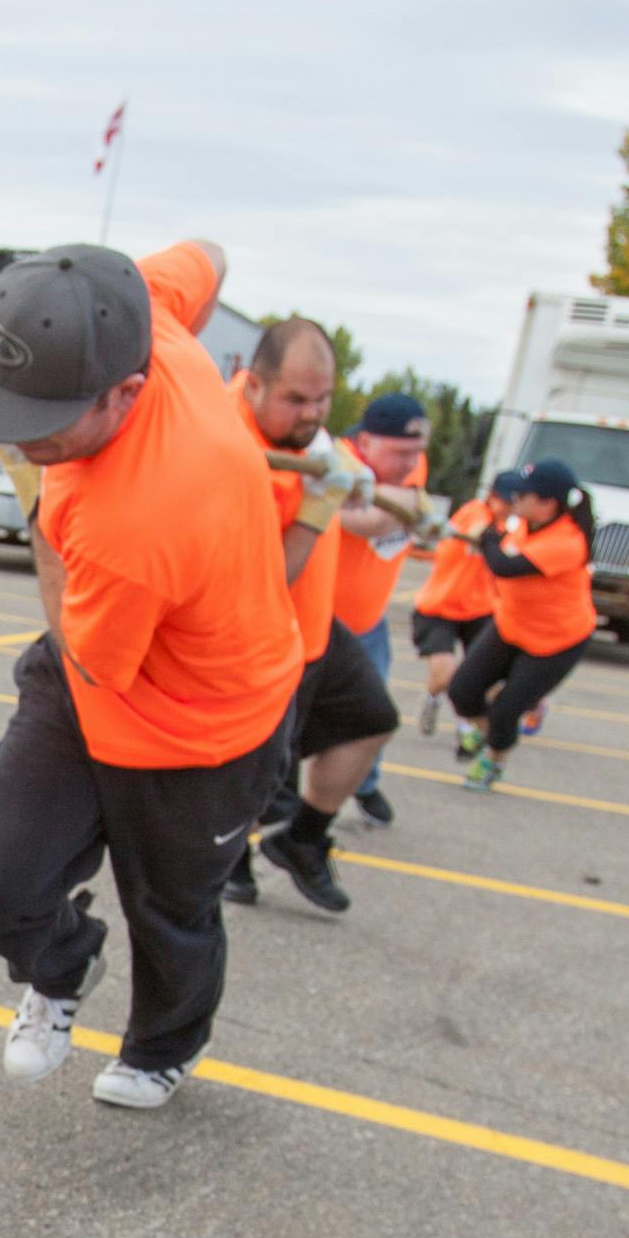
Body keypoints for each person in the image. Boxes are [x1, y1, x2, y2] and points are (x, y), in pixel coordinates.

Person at [0, 241, 299, 1113]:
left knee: (173, 910)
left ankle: (163, 1046)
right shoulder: (133, 313)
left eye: (44, 418)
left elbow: (83, 642)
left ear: (124, 392)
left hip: (200, 721)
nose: (18, 432)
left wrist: (32, 499)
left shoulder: (142, 517)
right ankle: (63, 961)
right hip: (90, 677)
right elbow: (207, 256)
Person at [220, 323, 399, 915]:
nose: (311, 413)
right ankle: (230, 863)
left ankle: (302, 842)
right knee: (256, 772)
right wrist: (320, 505)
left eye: (322, 400)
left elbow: (324, 453)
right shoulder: (230, 445)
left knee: (372, 717)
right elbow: (264, 580)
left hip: (315, 629)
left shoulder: (301, 435)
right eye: (297, 399)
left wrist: (347, 474)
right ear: (252, 385)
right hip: (261, 641)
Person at [451, 458, 595, 791]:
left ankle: (494, 760)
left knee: (506, 710)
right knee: (463, 690)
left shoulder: (567, 542)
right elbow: (499, 550)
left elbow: (505, 566)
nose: (516, 499)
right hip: (511, 626)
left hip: (556, 640)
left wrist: (486, 538)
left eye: (524, 494)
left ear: (548, 504)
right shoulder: (524, 526)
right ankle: (488, 734)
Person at [327, 392, 432, 828]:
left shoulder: (410, 465)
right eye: (400, 452)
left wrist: (396, 504)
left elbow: (399, 506)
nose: (411, 463)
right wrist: (405, 507)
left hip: (369, 621)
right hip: (318, 620)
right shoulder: (336, 462)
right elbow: (363, 521)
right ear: (366, 442)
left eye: (417, 452)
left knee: (374, 716)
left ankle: (364, 785)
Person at [412, 469, 519, 735]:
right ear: (491, 496)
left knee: (489, 680)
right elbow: (475, 529)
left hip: (480, 610)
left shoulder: (508, 528)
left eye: (514, 504)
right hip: (440, 607)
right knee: (444, 675)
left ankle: (468, 729)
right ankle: (433, 700)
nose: (508, 508)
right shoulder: (476, 512)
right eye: (504, 502)